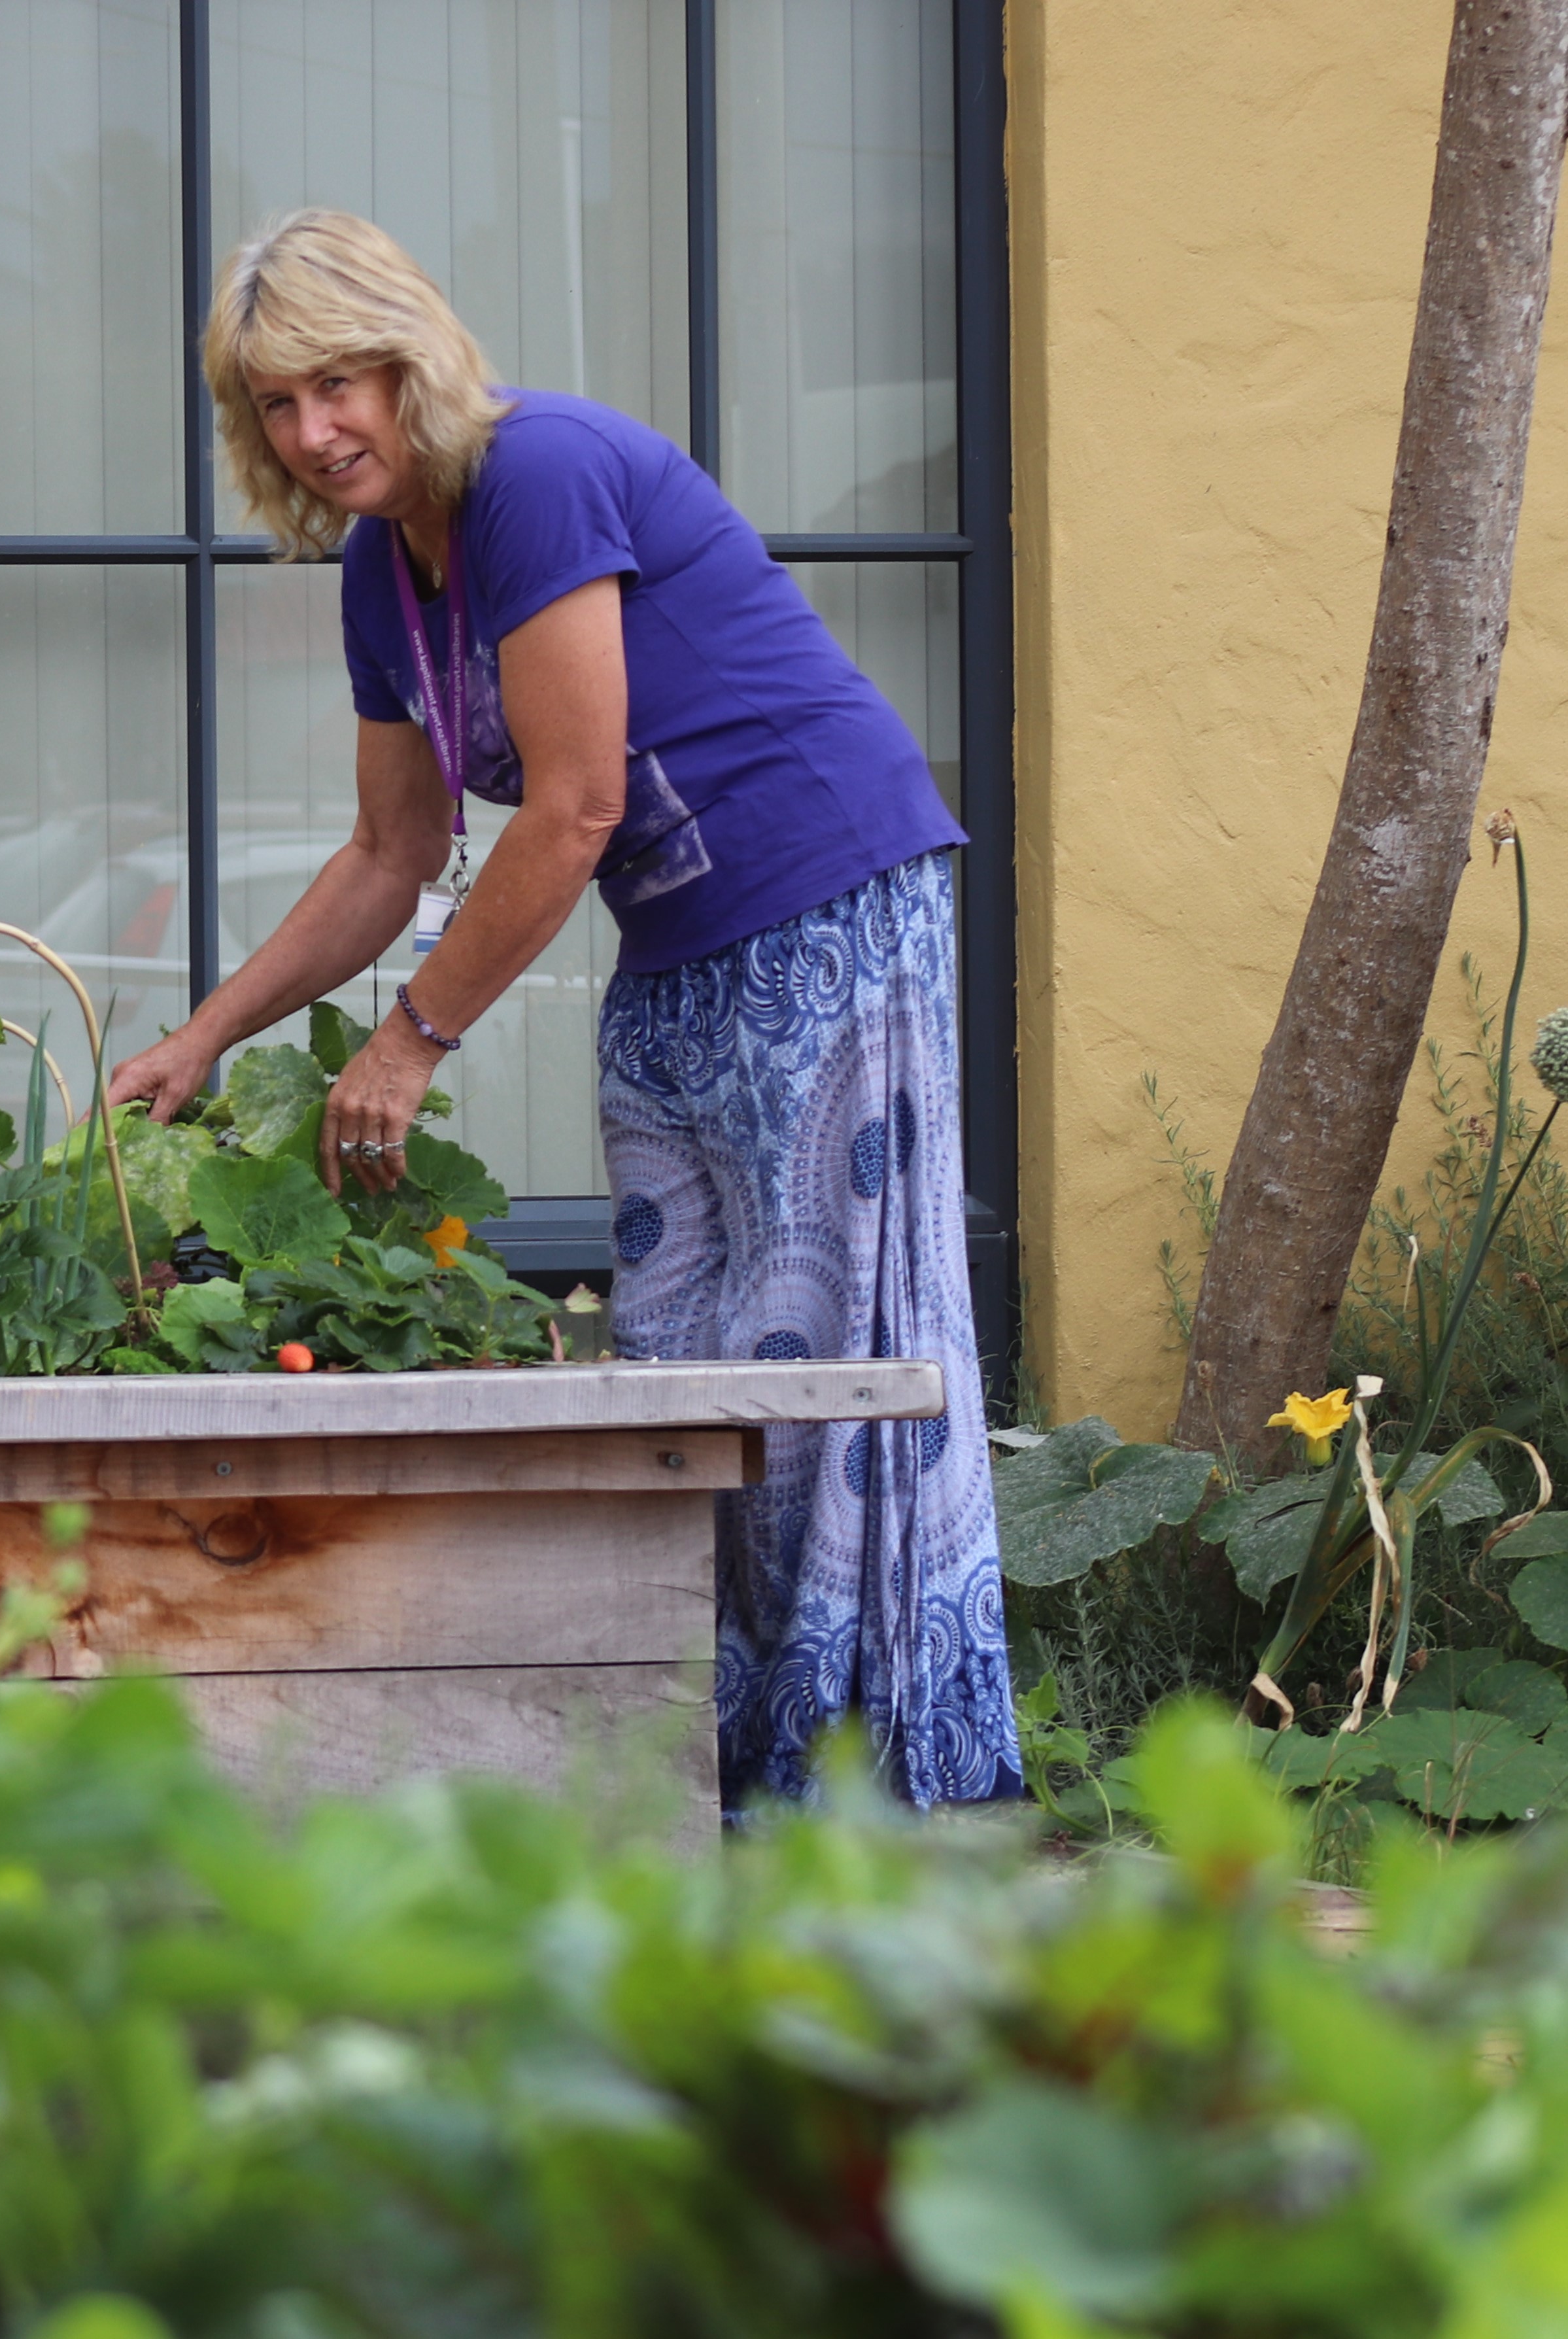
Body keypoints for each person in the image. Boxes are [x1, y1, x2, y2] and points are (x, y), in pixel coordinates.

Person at [106, 211, 1012, 1811]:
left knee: (814, 1362)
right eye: (273, 404)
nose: (316, 433)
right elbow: (392, 851)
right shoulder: (385, 573)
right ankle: (706, 1773)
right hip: (672, 947)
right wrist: (204, 1034)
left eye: (339, 385)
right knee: (671, 1361)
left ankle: (880, 1783)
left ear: (408, 362)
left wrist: (414, 1038)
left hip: (828, 900)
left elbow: (576, 800)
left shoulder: (539, 474)